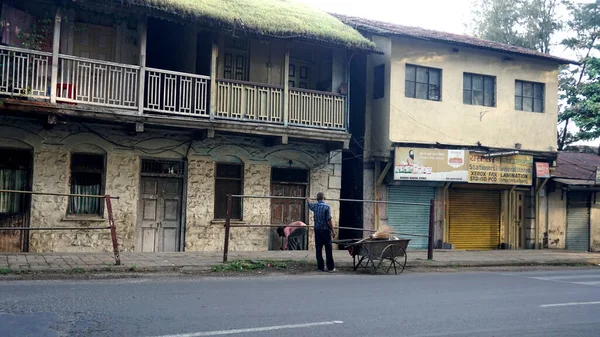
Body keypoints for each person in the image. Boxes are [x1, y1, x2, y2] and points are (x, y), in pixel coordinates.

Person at [307, 192, 335, 272]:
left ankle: (320, 267)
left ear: (317, 198)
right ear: (324, 198)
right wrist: (333, 231)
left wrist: (308, 200)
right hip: (326, 230)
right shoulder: (327, 207)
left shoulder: (315, 206)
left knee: (318, 249)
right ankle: (330, 268)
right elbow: (329, 220)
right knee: (328, 249)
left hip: (317, 230)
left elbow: (310, 205)